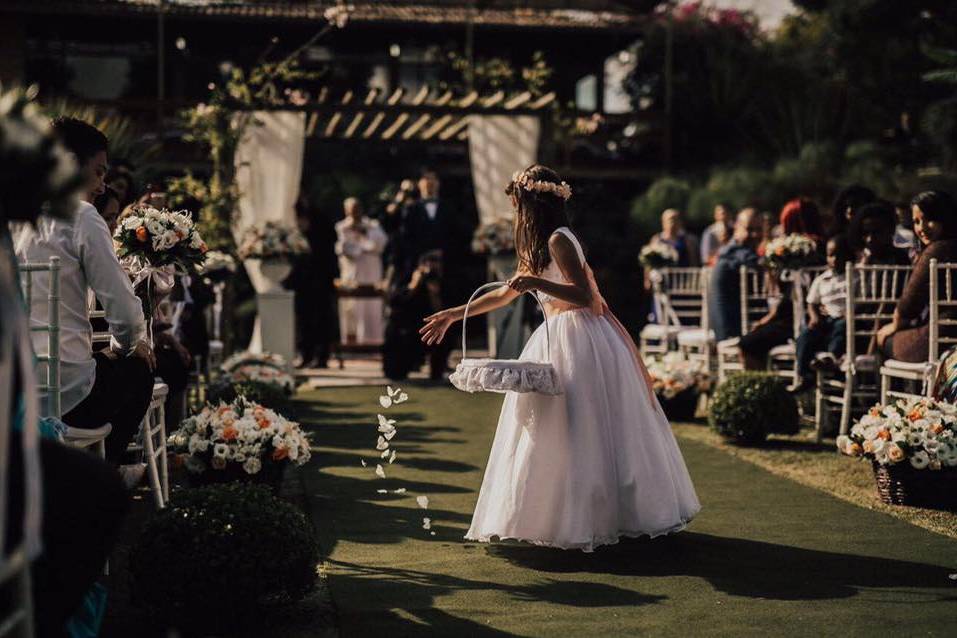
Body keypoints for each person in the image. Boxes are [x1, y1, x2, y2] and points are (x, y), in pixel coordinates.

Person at [420, 165, 699, 551]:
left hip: (581, 338)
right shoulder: (537, 242)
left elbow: (585, 296)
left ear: (533, 203)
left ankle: (603, 515)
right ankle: (553, 515)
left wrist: (536, 283)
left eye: (517, 203)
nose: (515, 211)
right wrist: (456, 314)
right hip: (555, 336)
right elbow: (505, 293)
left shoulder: (558, 240)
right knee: (550, 430)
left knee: (585, 426)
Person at [12, 117, 155, 464]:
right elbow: (124, 313)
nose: (102, 186)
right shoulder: (82, 216)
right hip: (71, 398)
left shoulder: (12, 217)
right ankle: (108, 472)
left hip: (13, 393)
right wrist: (126, 348)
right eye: (99, 172)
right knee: (140, 369)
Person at [738, 198, 826, 370]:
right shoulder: (826, 248)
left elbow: (787, 298)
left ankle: (762, 389)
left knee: (747, 343)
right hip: (819, 318)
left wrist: (769, 318)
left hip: (796, 320)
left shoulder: (792, 251)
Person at [877, 191, 957, 362]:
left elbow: (909, 304)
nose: (922, 228)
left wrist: (895, 325)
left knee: (883, 339)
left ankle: (890, 390)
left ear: (945, 218)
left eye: (929, 219)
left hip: (943, 336)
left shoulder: (936, 250)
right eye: (916, 222)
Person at [788, 235, 852, 393]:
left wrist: (851, 313)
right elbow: (811, 302)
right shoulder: (822, 279)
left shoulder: (854, 277)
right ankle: (804, 375)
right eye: (831, 255)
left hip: (846, 318)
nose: (835, 259)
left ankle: (831, 358)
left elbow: (862, 301)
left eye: (839, 254)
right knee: (805, 336)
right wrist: (815, 316)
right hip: (825, 320)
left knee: (841, 327)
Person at [288, 197, 339, 368]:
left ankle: (321, 356)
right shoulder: (301, 234)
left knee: (321, 319)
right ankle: (306, 354)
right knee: (305, 320)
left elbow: (328, 256)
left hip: (320, 281)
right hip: (304, 282)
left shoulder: (321, 231)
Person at [382, 250, 444, 380]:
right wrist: (413, 286)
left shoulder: (444, 280)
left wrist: (434, 292)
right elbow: (394, 301)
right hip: (408, 325)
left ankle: (436, 372)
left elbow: (442, 309)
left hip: (431, 325)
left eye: (435, 262)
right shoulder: (407, 276)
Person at [335, 197, 387, 345]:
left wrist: (364, 236)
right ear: (346, 211)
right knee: (351, 308)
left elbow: (381, 244)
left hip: (371, 273)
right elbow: (343, 249)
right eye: (351, 210)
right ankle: (352, 343)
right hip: (351, 274)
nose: (355, 213)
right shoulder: (341, 227)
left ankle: (373, 342)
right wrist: (362, 248)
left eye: (357, 209)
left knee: (372, 308)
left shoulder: (372, 225)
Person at [708, 208, 763, 341]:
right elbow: (758, 262)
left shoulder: (732, 250)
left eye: (758, 229)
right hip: (731, 331)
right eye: (749, 229)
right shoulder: (734, 251)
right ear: (737, 228)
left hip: (736, 323)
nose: (754, 234)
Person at [850, 200, 912, 266]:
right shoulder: (855, 258)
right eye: (865, 233)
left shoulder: (901, 260)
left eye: (876, 232)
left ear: (890, 230)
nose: (870, 239)